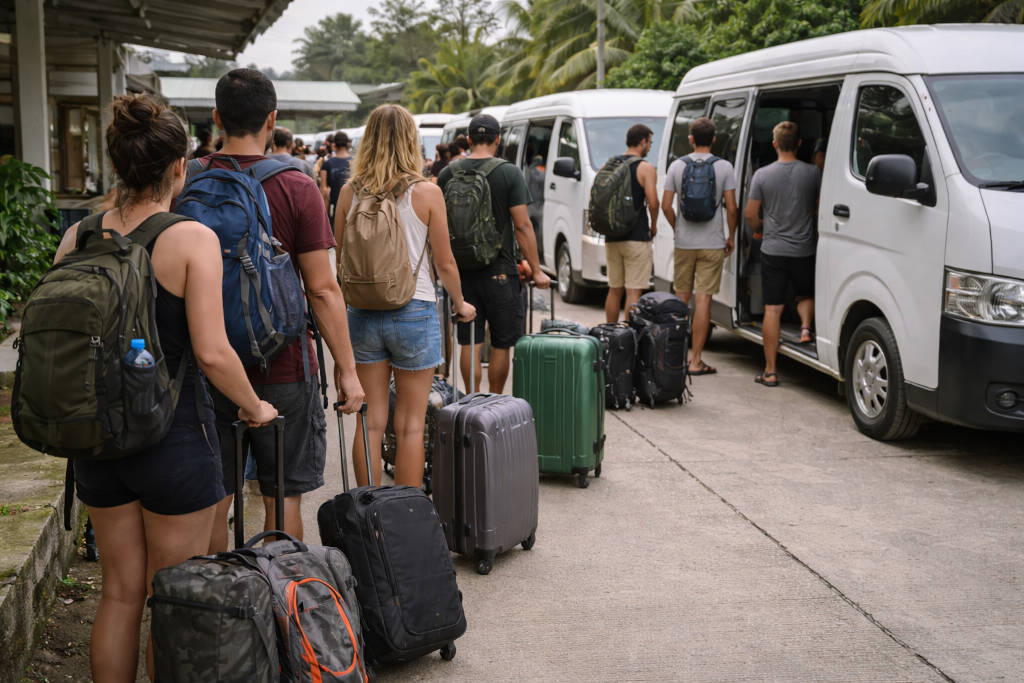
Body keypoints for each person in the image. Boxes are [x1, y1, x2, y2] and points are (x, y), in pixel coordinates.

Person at [55, 93, 277, 682]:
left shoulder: (76, 237)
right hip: (173, 439)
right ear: (180, 166)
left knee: (120, 594)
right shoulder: (189, 239)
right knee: (174, 599)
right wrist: (255, 407)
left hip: (98, 441)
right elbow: (211, 352)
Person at [199, 69, 365, 552]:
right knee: (282, 493)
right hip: (284, 363)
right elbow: (323, 289)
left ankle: (210, 610)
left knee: (216, 496)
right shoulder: (297, 186)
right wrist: (348, 371)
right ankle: (288, 608)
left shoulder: (191, 181)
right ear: (272, 120)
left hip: (207, 363)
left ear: (216, 118)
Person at [335, 104, 476, 488]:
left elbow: (341, 262)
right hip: (415, 311)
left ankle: (367, 513)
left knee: (370, 420)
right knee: (412, 425)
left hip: (361, 314)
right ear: (411, 141)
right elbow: (445, 263)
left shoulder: (349, 193)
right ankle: (406, 517)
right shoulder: (427, 193)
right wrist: (461, 304)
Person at [437, 113, 550, 393]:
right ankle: (495, 404)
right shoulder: (508, 172)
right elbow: (523, 226)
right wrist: (535, 270)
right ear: (497, 139)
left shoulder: (447, 173)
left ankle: (472, 400)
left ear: (469, 139)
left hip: (461, 271)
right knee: (501, 342)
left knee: (469, 341)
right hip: (500, 271)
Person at [744, 121, 822, 387]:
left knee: (773, 309)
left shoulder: (762, 175)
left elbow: (750, 214)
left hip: (773, 249)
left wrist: (760, 230)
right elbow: (819, 207)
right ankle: (804, 329)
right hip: (804, 249)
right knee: (804, 294)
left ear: (775, 144)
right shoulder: (814, 173)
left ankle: (770, 370)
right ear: (800, 144)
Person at [661, 116, 738, 376]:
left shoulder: (676, 166)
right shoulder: (724, 167)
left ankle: (677, 358)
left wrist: (677, 228)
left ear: (691, 139)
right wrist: (731, 237)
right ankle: (696, 361)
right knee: (703, 300)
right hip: (712, 243)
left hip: (684, 243)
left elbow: (665, 205)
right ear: (713, 139)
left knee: (681, 299)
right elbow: (732, 207)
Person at [604, 123, 659, 323]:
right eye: (650, 143)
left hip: (612, 236)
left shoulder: (608, 165)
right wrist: (653, 225)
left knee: (614, 290)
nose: (650, 147)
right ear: (642, 141)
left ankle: (609, 335)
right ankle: (627, 338)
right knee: (633, 292)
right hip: (636, 237)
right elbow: (653, 202)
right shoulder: (645, 168)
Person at [320, 131, 352, 219]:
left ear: (333, 145)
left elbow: (323, 190)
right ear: (348, 145)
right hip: (353, 207)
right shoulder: (354, 162)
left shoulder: (327, 164)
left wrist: (324, 216)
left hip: (336, 208)